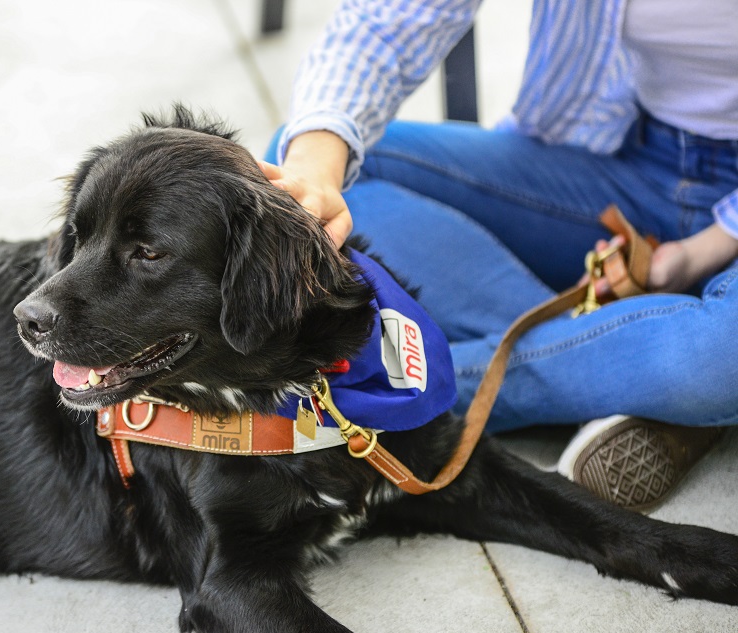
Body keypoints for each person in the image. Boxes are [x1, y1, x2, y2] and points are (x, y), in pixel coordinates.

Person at [260, 0, 738, 511]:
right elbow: (384, 24)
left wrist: (700, 252)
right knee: (308, 174)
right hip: (626, 156)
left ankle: (377, 399)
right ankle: (627, 367)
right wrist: (315, 173)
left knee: (721, 353)